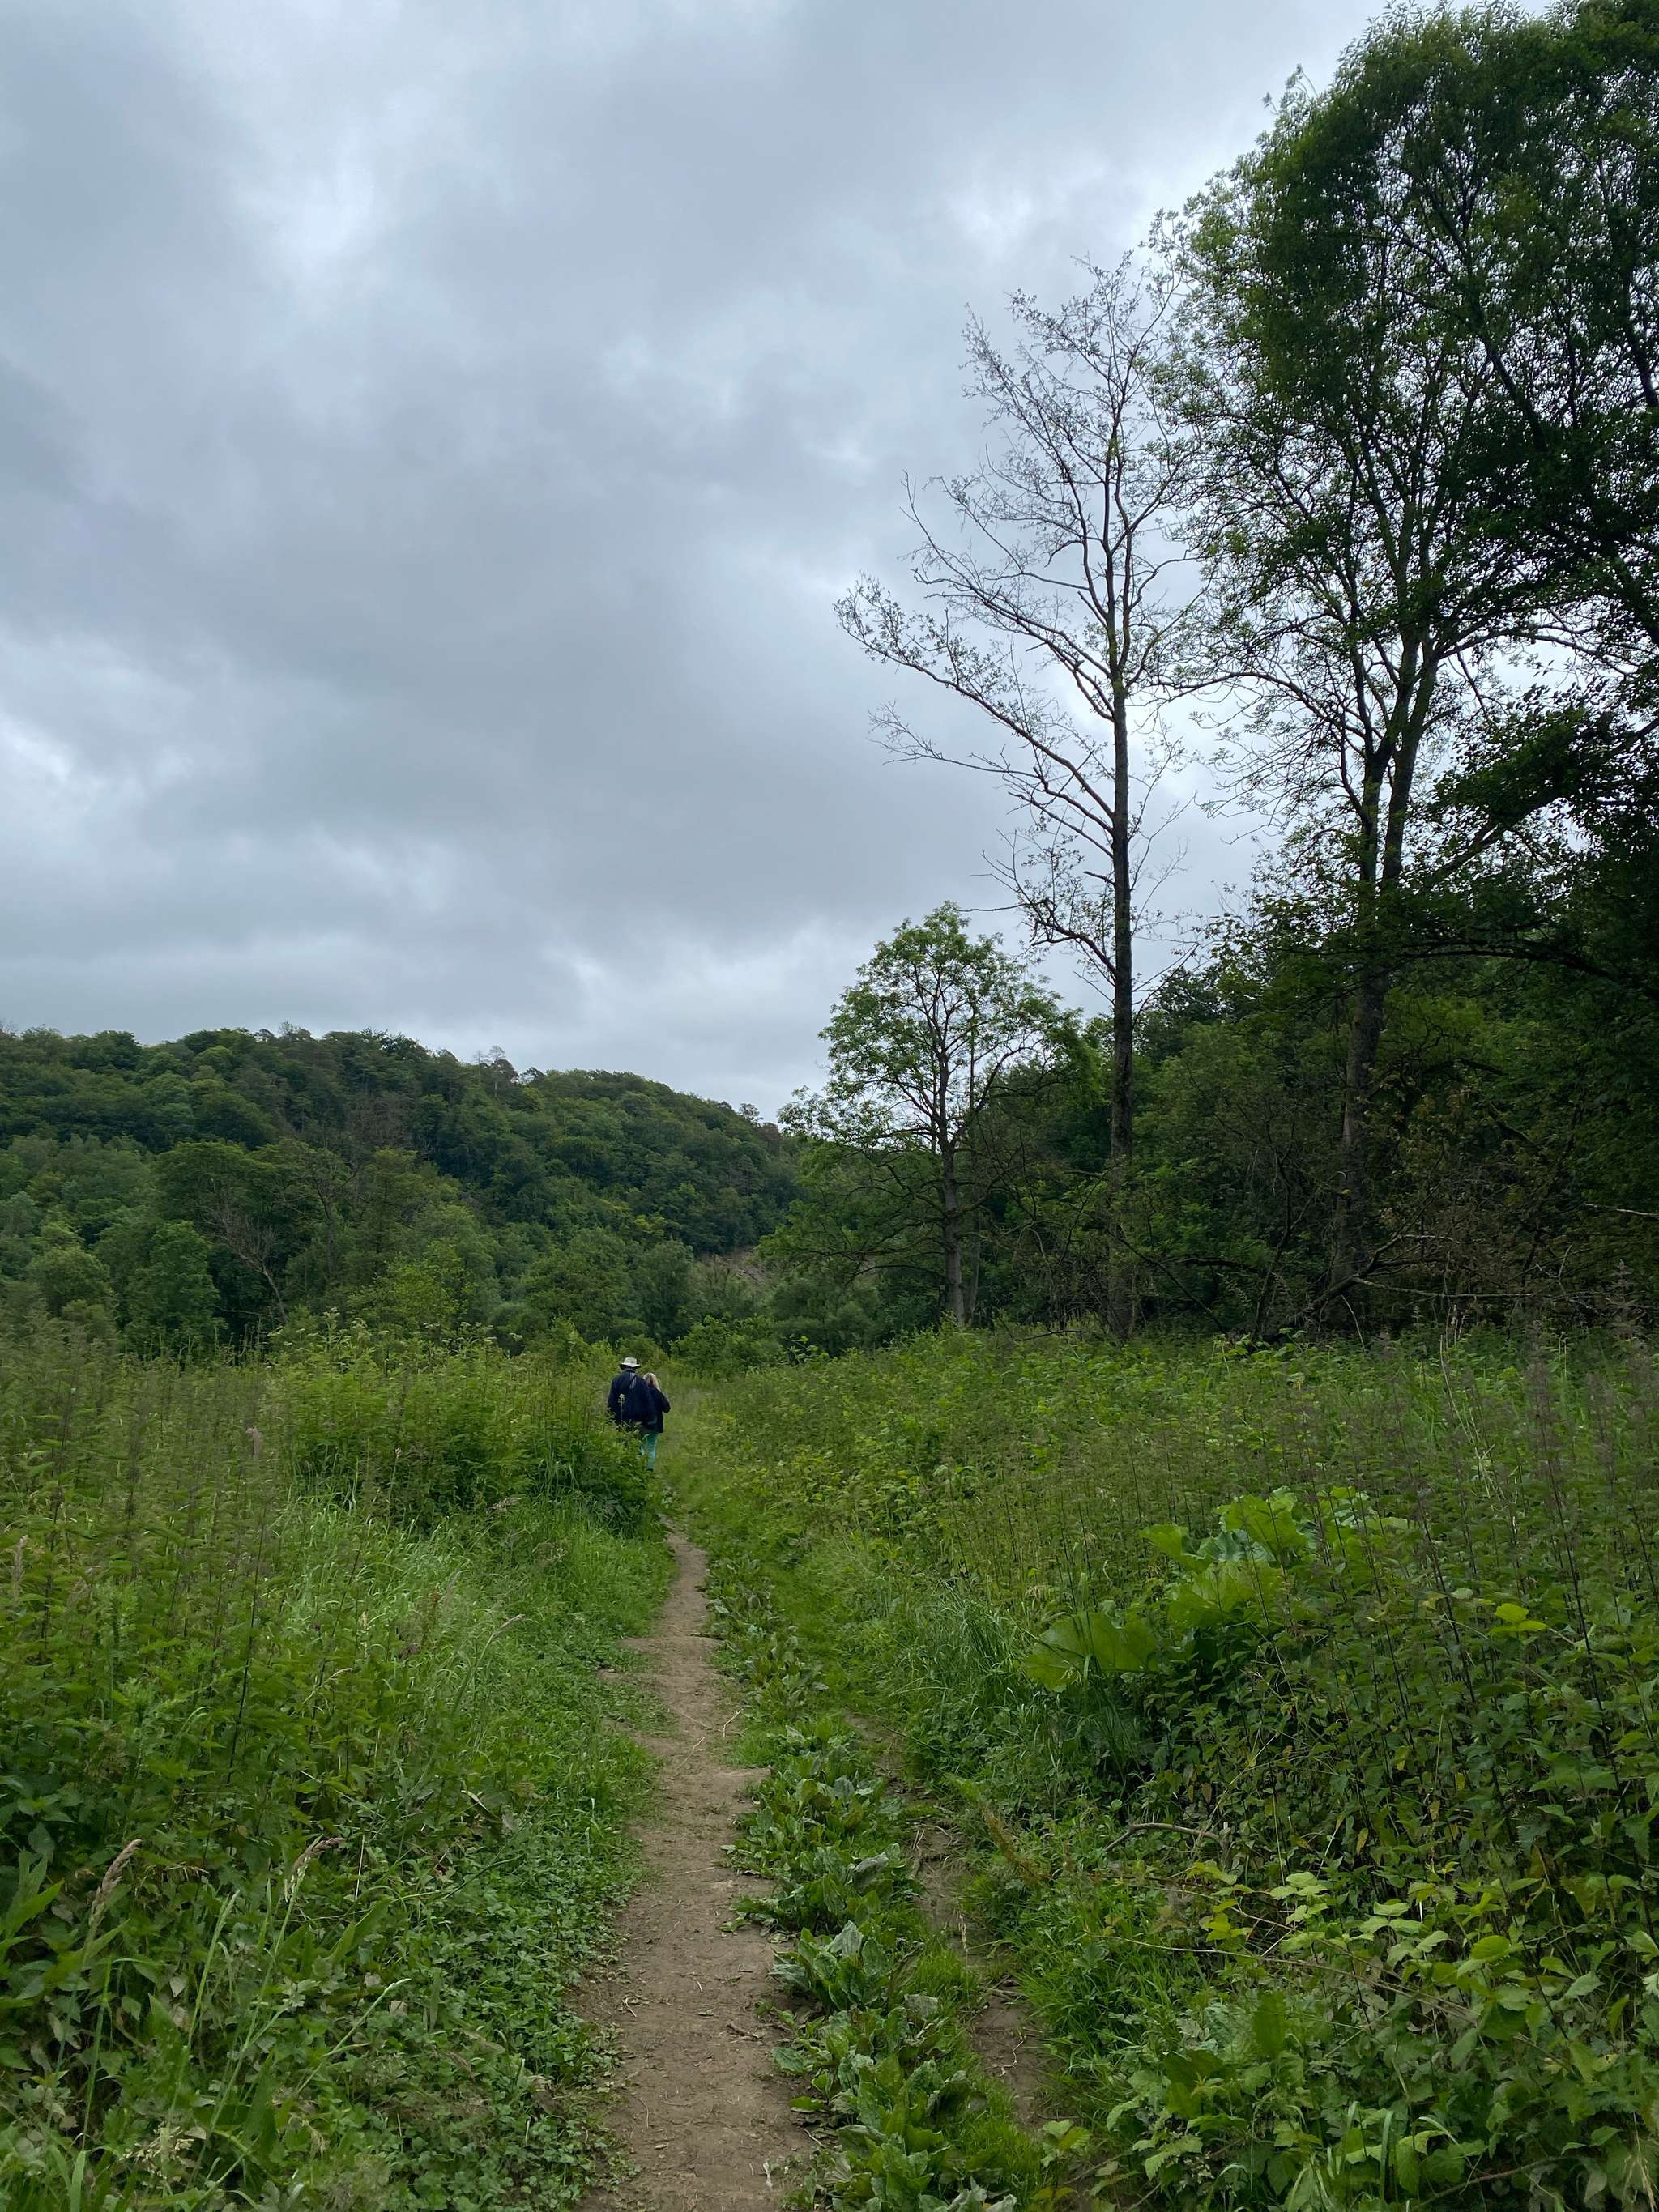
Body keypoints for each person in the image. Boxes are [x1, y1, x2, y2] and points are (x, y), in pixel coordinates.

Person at [635, 1370, 671, 1468]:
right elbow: (667, 1408)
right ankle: (649, 1468)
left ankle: (640, 1467)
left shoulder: (640, 1394)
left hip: (642, 1424)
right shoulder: (658, 1394)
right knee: (651, 1447)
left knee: (640, 1446)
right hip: (655, 1425)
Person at [607, 1355, 642, 1426]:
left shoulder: (617, 1379)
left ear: (624, 1367)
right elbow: (645, 1400)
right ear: (635, 1368)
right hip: (635, 1417)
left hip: (619, 1416)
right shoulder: (640, 1381)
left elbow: (612, 1400)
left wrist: (609, 1416)